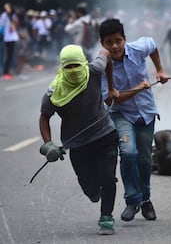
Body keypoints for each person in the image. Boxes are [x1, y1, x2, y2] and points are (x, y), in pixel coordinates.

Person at [39, 44, 120, 235]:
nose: (73, 70)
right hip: (78, 144)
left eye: (76, 65)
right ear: (62, 67)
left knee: (108, 177)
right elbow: (44, 117)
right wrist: (48, 143)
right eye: (68, 67)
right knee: (88, 185)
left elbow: (106, 53)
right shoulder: (54, 92)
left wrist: (111, 85)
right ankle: (93, 192)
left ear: (83, 62)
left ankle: (106, 217)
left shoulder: (94, 70)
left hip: (105, 135)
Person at [99, 18, 169, 222]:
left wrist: (160, 69)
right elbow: (110, 98)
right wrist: (138, 88)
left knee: (145, 158)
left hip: (146, 112)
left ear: (125, 39)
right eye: (109, 42)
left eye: (118, 41)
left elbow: (153, 45)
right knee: (129, 153)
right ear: (102, 43)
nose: (114, 46)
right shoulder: (101, 65)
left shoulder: (138, 48)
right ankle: (132, 200)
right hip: (120, 113)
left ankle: (145, 200)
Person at [0, 2, 19, 80]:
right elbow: (1, 25)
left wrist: (12, 19)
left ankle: (9, 70)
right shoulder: (4, 15)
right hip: (7, 38)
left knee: (11, 55)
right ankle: (5, 71)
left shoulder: (13, 16)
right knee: (7, 55)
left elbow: (15, 25)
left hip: (13, 37)